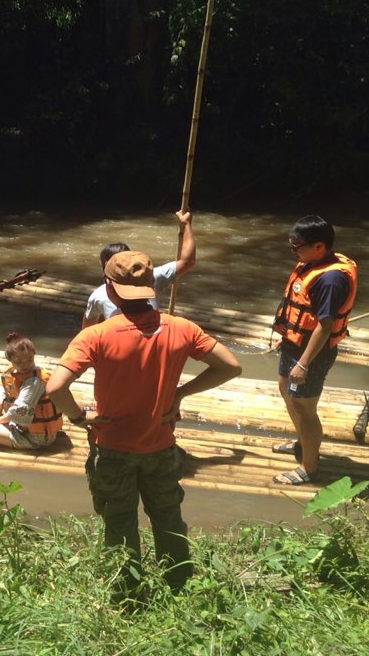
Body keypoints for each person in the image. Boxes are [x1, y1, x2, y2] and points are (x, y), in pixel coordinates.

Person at [47, 250, 241, 602]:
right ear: (152, 286)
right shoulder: (181, 327)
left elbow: (56, 388)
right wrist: (180, 393)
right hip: (160, 446)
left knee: (119, 522)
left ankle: (126, 595)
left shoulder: (95, 336)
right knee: (168, 515)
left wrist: (80, 418)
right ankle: (180, 585)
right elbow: (230, 366)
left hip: (112, 448)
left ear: (110, 288)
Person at [270, 215, 357, 486]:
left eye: (298, 246)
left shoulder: (330, 279)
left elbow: (325, 325)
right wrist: (284, 337)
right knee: (286, 391)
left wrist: (304, 363)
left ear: (319, 246)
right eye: (292, 244)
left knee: (305, 408)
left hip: (312, 353)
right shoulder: (312, 263)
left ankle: (309, 467)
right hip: (293, 344)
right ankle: (303, 443)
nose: (294, 251)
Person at [81, 209, 195, 328]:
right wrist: (187, 225)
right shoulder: (150, 277)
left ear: (105, 266)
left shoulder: (99, 294)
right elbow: (187, 262)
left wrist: (187, 225)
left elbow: (86, 329)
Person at [0, 332, 63, 449]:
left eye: (29, 359)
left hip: (36, 438)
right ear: (10, 360)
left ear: (34, 355)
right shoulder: (16, 374)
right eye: (19, 361)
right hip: (23, 423)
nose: (25, 365)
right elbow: (9, 397)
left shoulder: (34, 382)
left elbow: (20, 410)